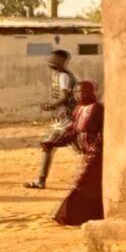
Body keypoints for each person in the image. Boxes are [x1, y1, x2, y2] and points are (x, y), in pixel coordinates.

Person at [50, 79, 105, 227]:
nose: (79, 94)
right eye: (76, 92)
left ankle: (66, 216)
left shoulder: (97, 108)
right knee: (91, 186)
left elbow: (103, 131)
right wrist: (55, 143)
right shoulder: (78, 109)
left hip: (96, 153)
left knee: (81, 183)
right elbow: (74, 131)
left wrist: (97, 148)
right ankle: (90, 215)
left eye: (83, 91)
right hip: (86, 153)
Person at [25, 48, 80, 189]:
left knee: (83, 150)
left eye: (54, 59)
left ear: (62, 61)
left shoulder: (63, 76)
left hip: (69, 120)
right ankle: (41, 180)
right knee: (48, 145)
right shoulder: (56, 75)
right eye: (51, 58)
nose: (51, 61)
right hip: (61, 121)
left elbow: (64, 96)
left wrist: (51, 105)